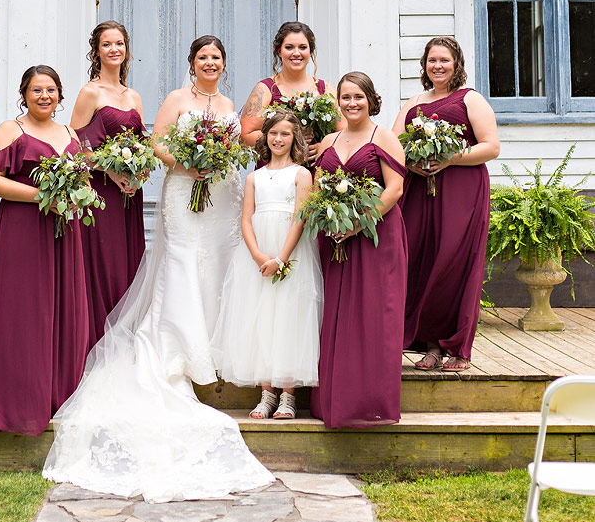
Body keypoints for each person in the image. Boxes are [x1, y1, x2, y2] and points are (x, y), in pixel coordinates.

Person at [44, 35, 273, 502]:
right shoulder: (175, 99)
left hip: (221, 195)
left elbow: (236, 146)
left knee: (219, 265)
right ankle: (180, 345)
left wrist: (217, 165)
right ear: (192, 63)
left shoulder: (230, 102)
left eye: (217, 57)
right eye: (202, 57)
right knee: (184, 264)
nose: (210, 63)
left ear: (224, 65)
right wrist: (189, 163)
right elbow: (158, 144)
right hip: (184, 193)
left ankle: (217, 344)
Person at [0, 66, 90, 435]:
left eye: (51, 90)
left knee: (62, 309)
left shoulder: (69, 132)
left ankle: (59, 395)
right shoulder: (12, 130)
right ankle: (17, 403)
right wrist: (44, 196)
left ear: (60, 95)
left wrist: (74, 195)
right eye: (37, 90)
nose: (45, 96)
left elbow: (83, 178)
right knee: (23, 313)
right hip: (22, 232)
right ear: (24, 93)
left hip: (64, 232)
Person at [392, 36, 500, 372]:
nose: (437, 66)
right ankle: (430, 345)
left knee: (453, 263)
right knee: (421, 262)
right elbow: (394, 147)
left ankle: (458, 348)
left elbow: (491, 146)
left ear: (457, 63)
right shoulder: (413, 102)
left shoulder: (470, 99)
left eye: (444, 60)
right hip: (418, 192)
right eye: (431, 60)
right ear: (424, 65)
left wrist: (450, 158)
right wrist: (413, 164)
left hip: (462, 192)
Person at [310, 72, 408, 429]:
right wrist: (330, 221)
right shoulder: (328, 141)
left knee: (373, 314)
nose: (352, 104)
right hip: (334, 237)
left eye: (358, 97)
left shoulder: (383, 138)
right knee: (336, 313)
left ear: (371, 99)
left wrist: (357, 223)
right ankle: (336, 398)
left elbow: (394, 189)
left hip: (375, 237)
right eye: (346, 97)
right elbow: (319, 187)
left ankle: (371, 402)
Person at [212, 110, 323, 421]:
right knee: (260, 316)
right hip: (258, 254)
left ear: (295, 138)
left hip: (289, 251)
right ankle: (266, 394)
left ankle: (288, 395)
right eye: (273, 133)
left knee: (288, 315)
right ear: (266, 137)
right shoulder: (254, 177)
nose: (278, 139)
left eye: (285, 134)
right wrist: (259, 256)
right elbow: (246, 219)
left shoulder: (301, 174)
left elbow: (301, 217)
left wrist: (281, 258)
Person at [70, 21, 146, 348]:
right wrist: (110, 171)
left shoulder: (134, 96)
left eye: (119, 43)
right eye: (107, 44)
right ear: (97, 51)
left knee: (127, 264)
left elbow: (141, 144)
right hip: (101, 194)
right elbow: (73, 144)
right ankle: (97, 339)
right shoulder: (90, 92)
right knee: (104, 262)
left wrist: (138, 174)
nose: (114, 49)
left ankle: (124, 338)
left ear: (126, 49)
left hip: (130, 194)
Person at [240, 21, 341, 163]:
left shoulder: (326, 90)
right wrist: (287, 140)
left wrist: (323, 146)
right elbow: (245, 136)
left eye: (303, 47)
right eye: (289, 47)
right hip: (277, 171)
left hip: (317, 173)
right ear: (279, 51)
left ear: (310, 51)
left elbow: (345, 134)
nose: (296, 53)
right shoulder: (265, 89)